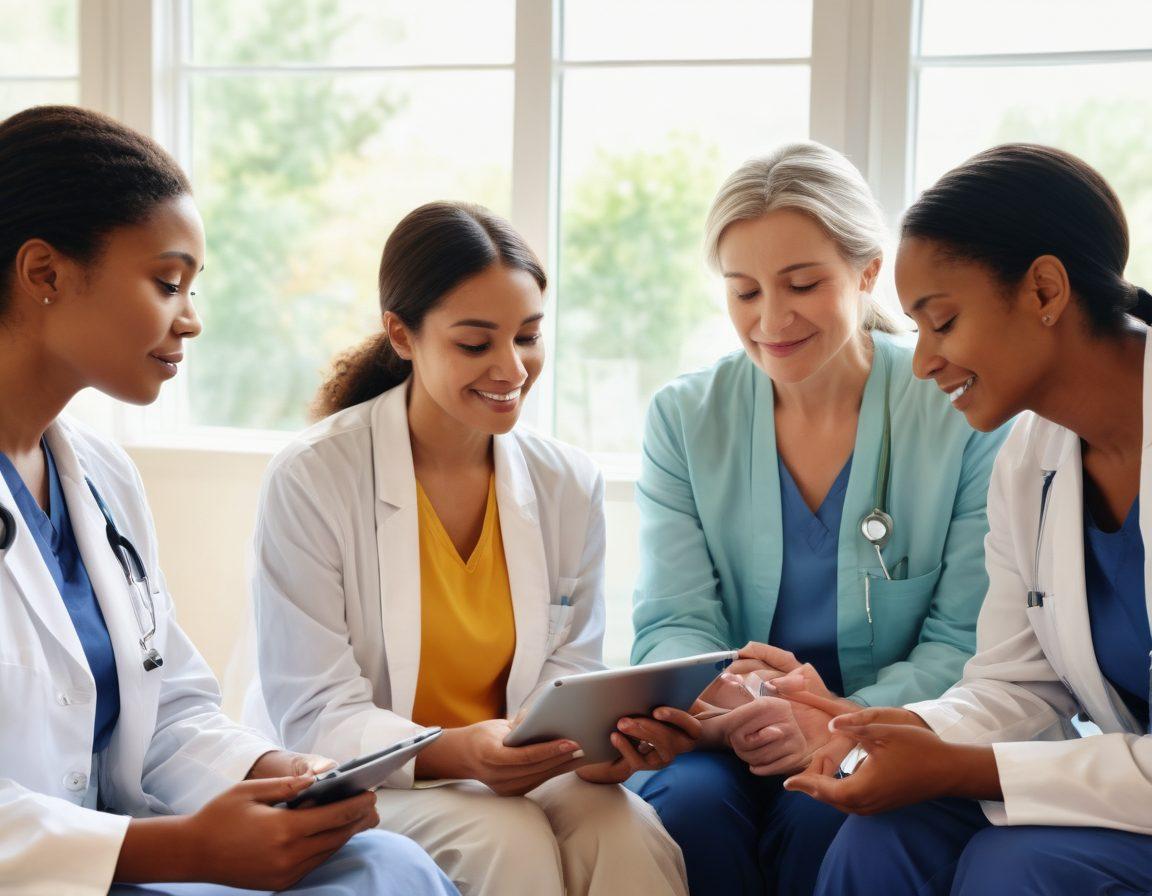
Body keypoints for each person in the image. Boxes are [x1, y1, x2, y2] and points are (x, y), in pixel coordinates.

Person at [0, 106, 456, 895]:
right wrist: (180, 851)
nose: (192, 319)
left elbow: (169, 712)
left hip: (120, 856)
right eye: (167, 283)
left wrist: (284, 773)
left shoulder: (101, 478)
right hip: (55, 872)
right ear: (44, 273)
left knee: (389, 865)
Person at [249, 200, 694, 896]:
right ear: (401, 334)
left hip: (516, 770)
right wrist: (456, 752)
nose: (512, 367)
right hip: (375, 776)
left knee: (625, 830)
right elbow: (315, 713)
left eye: (529, 336)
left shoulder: (565, 482)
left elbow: (570, 671)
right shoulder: (315, 476)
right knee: (503, 839)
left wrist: (598, 749)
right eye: (475, 342)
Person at [627, 142, 1009, 896]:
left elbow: (966, 640)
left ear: (868, 272)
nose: (770, 319)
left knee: (830, 814)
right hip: (731, 733)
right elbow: (671, 618)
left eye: (802, 283)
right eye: (743, 292)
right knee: (682, 809)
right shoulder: (683, 418)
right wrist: (739, 701)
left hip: (894, 727)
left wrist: (838, 721)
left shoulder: (958, 413)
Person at [785, 143, 1152, 896]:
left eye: (942, 322)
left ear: (1045, 290)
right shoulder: (1032, 463)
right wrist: (894, 731)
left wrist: (965, 766)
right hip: (1121, 783)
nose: (921, 362)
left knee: (1015, 868)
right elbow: (1019, 684)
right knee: (883, 837)